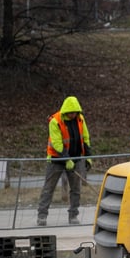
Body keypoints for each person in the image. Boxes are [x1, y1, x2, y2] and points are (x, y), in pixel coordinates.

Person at [37, 96, 93, 226]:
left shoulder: (80, 119)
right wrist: (66, 159)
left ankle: (73, 215)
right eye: (71, 113)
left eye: (75, 112)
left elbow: (85, 138)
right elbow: (56, 143)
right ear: (66, 111)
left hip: (76, 157)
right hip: (56, 159)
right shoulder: (55, 121)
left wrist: (88, 156)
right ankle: (42, 215)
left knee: (76, 189)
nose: (73, 115)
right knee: (48, 188)